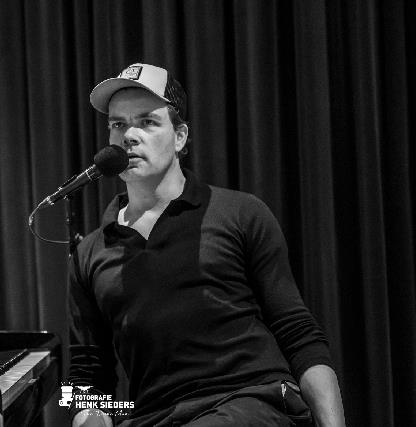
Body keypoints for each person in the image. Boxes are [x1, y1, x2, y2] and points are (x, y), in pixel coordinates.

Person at [67, 63, 346, 426]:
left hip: (252, 399)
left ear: (180, 137)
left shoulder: (240, 213)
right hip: (154, 416)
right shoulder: (89, 253)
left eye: (147, 122)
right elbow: (85, 375)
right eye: (118, 124)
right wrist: (90, 413)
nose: (129, 136)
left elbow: (298, 333)